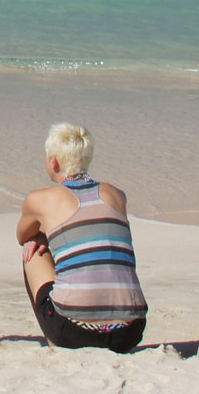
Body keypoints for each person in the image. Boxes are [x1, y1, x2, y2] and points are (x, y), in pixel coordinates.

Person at [14, 122, 146, 351]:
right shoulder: (117, 195)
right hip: (131, 331)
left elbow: (23, 235)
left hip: (73, 329)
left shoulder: (39, 199)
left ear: (53, 161)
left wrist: (42, 236)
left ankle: (54, 341)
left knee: (31, 249)